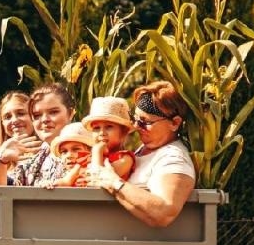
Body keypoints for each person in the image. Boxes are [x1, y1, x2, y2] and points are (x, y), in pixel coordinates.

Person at [86, 81, 197, 228]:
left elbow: (164, 212)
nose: (137, 127)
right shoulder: (144, 150)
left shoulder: (173, 158)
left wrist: (113, 182)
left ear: (175, 123)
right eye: (136, 119)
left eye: (145, 122)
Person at [81, 96, 136, 183]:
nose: (102, 132)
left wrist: (97, 152)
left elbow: (98, 179)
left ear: (123, 132)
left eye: (109, 127)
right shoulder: (87, 157)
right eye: (96, 128)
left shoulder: (125, 159)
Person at [48, 123, 97, 188]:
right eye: (64, 151)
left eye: (76, 149)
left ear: (91, 152)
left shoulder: (94, 171)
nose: (69, 155)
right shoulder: (63, 175)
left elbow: (65, 182)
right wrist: (49, 184)